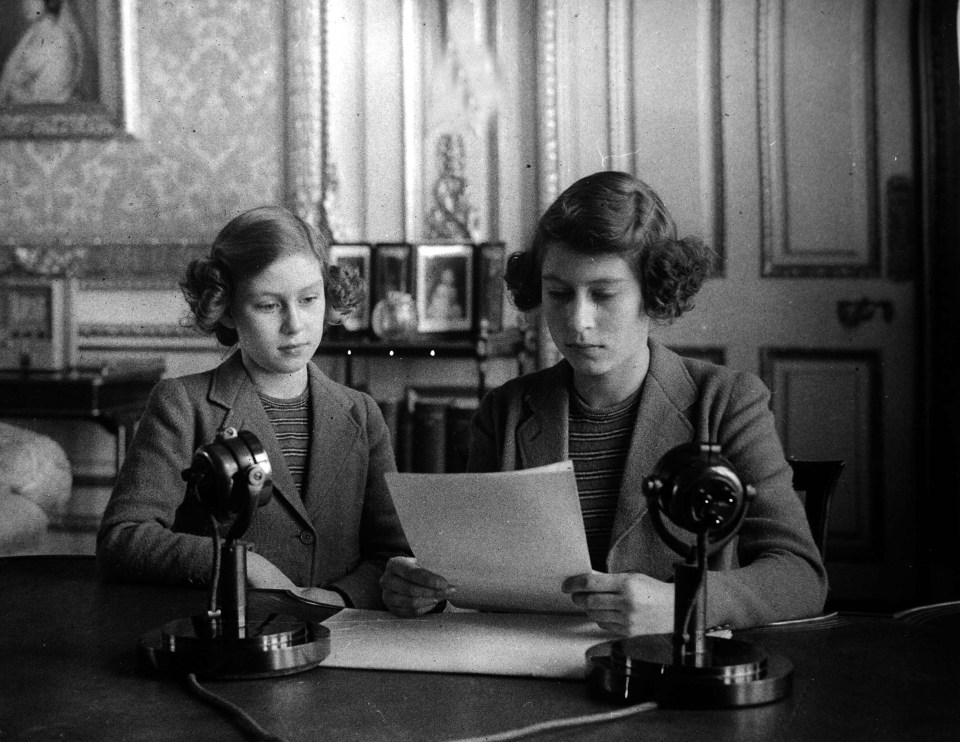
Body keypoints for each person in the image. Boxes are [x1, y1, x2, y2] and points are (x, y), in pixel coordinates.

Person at [380, 170, 828, 634]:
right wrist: (423, 589)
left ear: (655, 294)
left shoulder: (727, 403)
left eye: (604, 294)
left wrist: (684, 604)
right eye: (557, 293)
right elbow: (472, 575)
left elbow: (800, 575)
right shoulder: (505, 411)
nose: (578, 321)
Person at [97, 206, 410, 609]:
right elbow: (123, 537)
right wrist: (237, 565)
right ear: (226, 307)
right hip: (227, 639)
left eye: (309, 299)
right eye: (268, 306)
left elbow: (392, 556)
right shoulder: (183, 405)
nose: (294, 324)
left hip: (340, 637)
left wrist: (336, 597)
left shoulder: (362, 413)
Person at [0, 0, 88, 107]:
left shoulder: (57, 36)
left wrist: (15, 89)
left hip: (44, 109)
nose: (25, 4)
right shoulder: (34, 32)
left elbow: (19, 80)